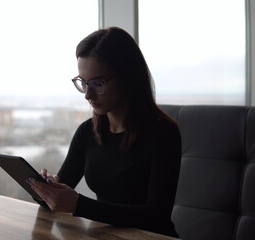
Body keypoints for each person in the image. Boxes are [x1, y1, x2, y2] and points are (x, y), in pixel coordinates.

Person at [27, 26, 182, 238]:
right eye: (83, 82)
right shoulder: (87, 132)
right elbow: (58, 194)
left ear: (127, 77)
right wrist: (47, 189)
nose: (88, 95)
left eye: (97, 83)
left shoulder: (163, 133)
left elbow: (156, 215)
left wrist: (79, 205)